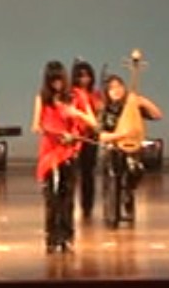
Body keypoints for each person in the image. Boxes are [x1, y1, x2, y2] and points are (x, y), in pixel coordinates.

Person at [32, 60, 97, 253]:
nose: (57, 85)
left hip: (69, 151)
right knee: (51, 197)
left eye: (59, 80)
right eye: (53, 81)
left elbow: (93, 122)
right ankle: (52, 237)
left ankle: (67, 237)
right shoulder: (42, 98)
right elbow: (35, 126)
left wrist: (75, 113)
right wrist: (51, 130)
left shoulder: (76, 96)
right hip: (49, 152)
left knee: (67, 197)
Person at [97, 74, 163, 228]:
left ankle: (128, 191)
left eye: (119, 86)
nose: (116, 90)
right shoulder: (104, 110)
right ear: (107, 92)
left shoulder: (132, 105)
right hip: (114, 148)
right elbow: (101, 136)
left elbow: (157, 115)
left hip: (132, 149)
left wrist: (143, 102)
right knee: (114, 167)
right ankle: (113, 215)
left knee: (136, 169)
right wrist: (120, 135)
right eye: (112, 88)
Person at [71, 60, 104, 220]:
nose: (85, 79)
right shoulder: (72, 94)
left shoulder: (95, 94)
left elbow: (99, 114)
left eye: (87, 76)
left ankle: (87, 206)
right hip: (76, 137)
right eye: (81, 76)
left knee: (88, 173)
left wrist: (99, 108)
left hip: (90, 137)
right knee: (72, 173)